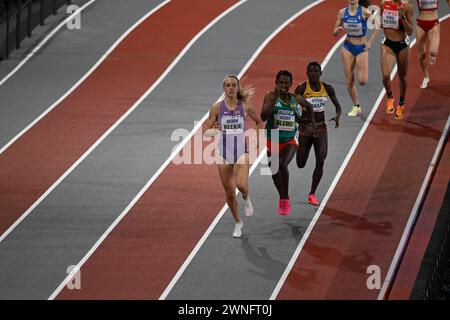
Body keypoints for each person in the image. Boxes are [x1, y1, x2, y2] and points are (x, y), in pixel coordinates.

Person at [204, 75, 263, 238]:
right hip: (223, 153)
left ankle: (246, 197)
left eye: (233, 85)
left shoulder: (245, 106)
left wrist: (257, 137)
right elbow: (206, 129)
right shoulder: (216, 108)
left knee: (242, 185)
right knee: (230, 193)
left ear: (237, 88)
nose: (230, 88)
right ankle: (238, 222)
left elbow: (259, 121)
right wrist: (215, 131)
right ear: (224, 88)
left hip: (241, 151)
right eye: (227, 85)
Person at [261, 70, 317, 215]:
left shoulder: (296, 98)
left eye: (286, 82)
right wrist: (274, 100)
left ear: (291, 83)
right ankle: (283, 196)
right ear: (276, 83)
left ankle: (285, 200)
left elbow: (309, 107)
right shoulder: (270, 96)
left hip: (289, 140)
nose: (284, 85)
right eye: (281, 82)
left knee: (282, 164)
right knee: (274, 173)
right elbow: (263, 116)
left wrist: (313, 126)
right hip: (272, 138)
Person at [295, 62, 342, 206]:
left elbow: (338, 106)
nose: (313, 74)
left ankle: (312, 194)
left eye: (316, 71)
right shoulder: (302, 88)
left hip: (321, 128)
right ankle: (298, 146)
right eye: (311, 71)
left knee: (321, 160)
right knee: (300, 163)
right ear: (307, 73)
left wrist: (338, 115)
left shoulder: (327, 88)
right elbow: (291, 106)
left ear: (320, 73)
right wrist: (299, 119)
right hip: (306, 128)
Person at [333, 0, 380, 117]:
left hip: (361, 48)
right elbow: (334, 32)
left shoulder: (364, 12)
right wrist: (337, 30)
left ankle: (356, 104)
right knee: (349, 80)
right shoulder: (342, 13)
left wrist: (370, 42)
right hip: (347, 47)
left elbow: (377, 26)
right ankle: (356, 106)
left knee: (362, 81)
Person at [380, 0, 413, 120]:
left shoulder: (408, 6)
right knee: (385, 76)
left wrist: (402, 16)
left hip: (402, 45)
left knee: (402, 76)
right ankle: (389, 97)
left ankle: (401, 104)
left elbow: (410, 31)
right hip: (387, 44)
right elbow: (379, 23)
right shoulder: (384, 3)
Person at [416, 0, 449, 88]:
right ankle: (426, 77)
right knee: (421, 54)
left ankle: (432, 55)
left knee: (433, 52)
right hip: (420, 24)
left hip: (433, 23)